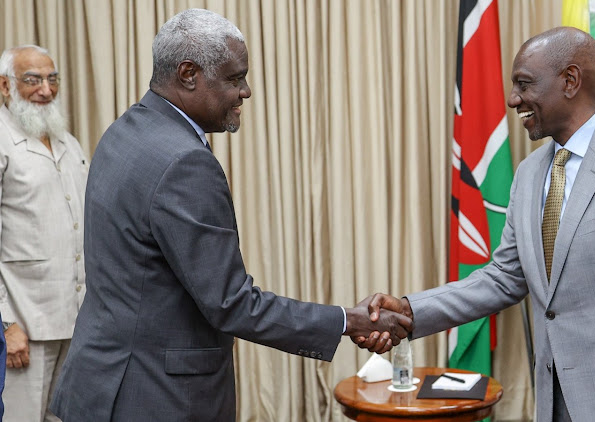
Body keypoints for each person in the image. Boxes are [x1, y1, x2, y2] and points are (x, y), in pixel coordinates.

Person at [49, 8, 409, 422]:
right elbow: (232, 303)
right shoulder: (184, 162)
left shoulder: (124, 131)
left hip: (100, 385)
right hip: (157, 397)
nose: (246, 92)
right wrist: (346, 321)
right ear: (188, 74)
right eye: (235, 78)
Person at [360, 27, 595, 422]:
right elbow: (504, 278)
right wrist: (410, 311)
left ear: (570, 81)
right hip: (554, 404)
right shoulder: (530, 173)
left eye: (524, 84)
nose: (513, 99)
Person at [0, 45, 88, 422]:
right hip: (24, 326)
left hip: (77, 319)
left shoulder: (68, 141)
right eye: (32, 80)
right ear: (5, 86)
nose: (46, 90)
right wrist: (6, 323)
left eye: (52, 79)